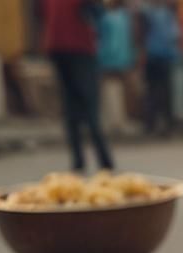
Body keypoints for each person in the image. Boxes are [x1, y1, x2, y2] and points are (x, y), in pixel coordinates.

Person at [40, 0, 114, 171]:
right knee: (90, 106)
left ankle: (78, 161)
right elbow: (98, 12)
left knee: (70, 107)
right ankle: (105, 161)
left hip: (57, 47)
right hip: (80, 48)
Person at [140, 0, 182, 137]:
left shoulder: (147, 12)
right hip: (161, 56)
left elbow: (141, 35)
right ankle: (165, 124)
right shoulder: (165, 14)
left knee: (153, 91)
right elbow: (175, 36)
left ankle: (152, 125)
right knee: (164, 92)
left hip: (154, 55)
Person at [97, 0, 136, 134]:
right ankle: (119, 119)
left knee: (109, 87)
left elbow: (102, 38)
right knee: (118, 88)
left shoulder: (106, 18)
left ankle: (114, 121)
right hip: (122, 57)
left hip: (108, 57)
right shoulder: (124, 17)